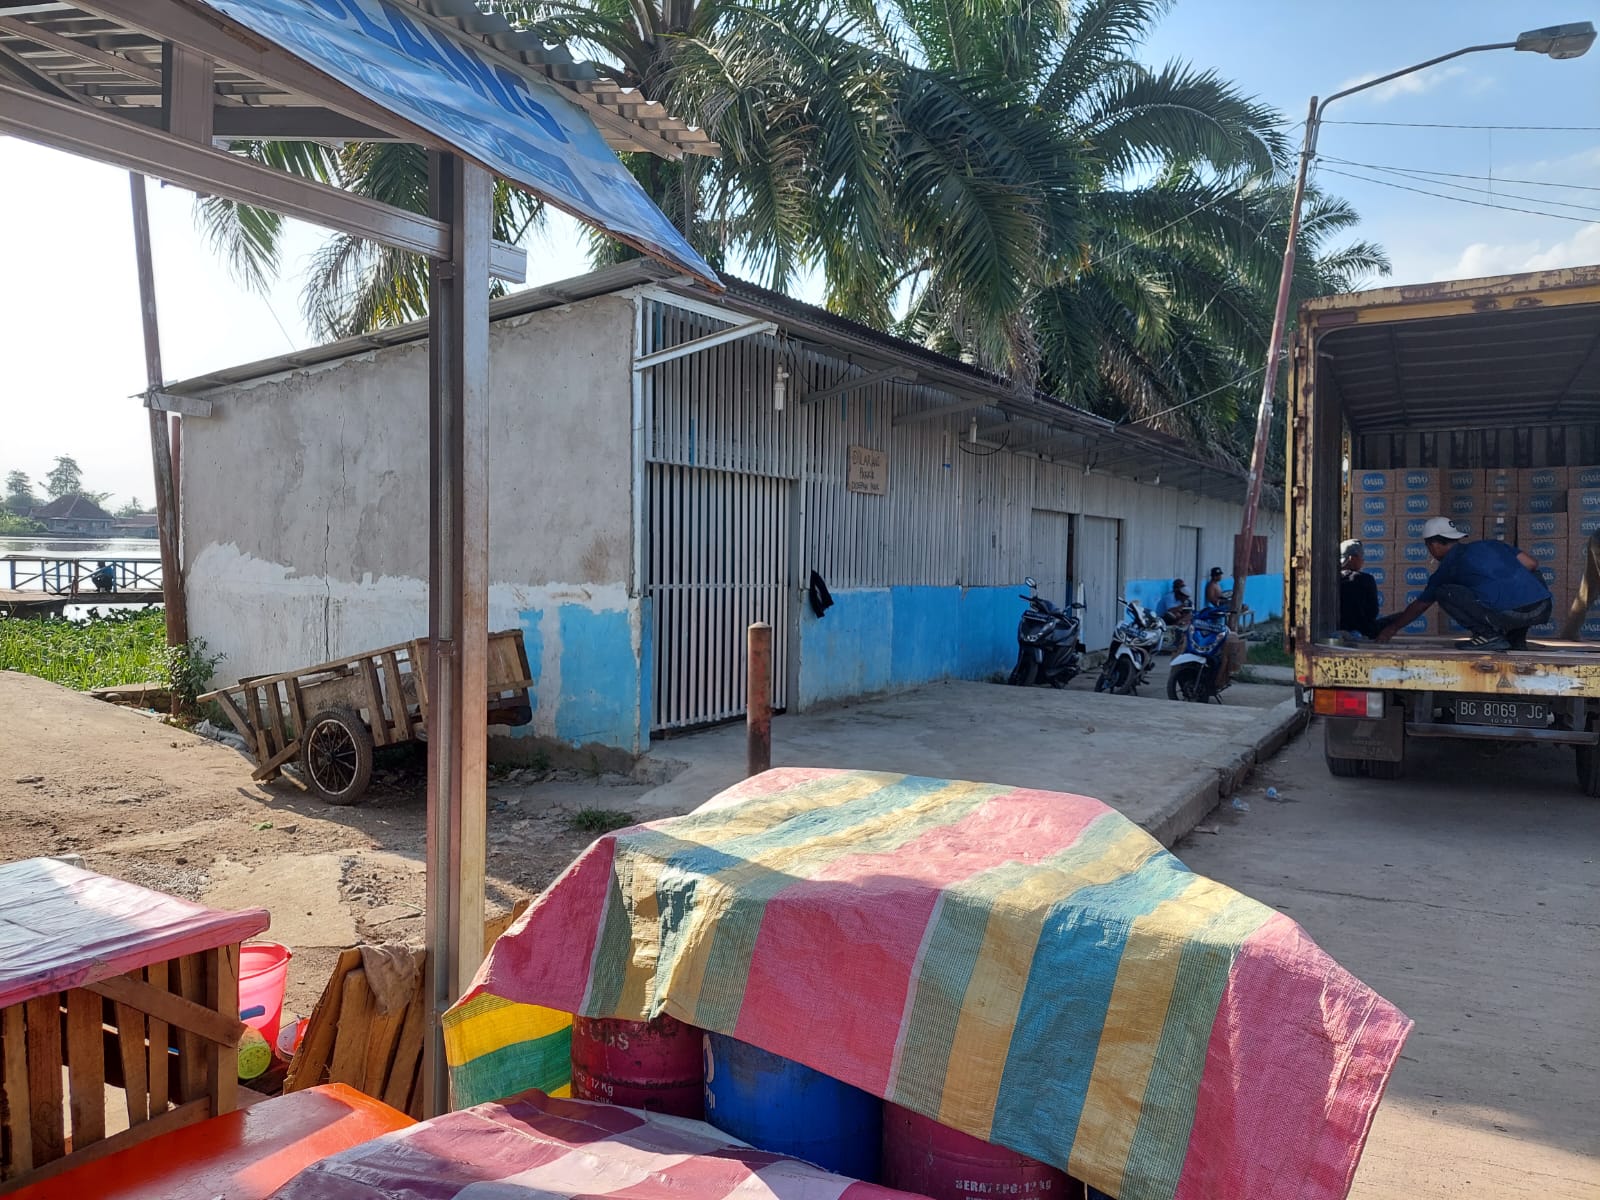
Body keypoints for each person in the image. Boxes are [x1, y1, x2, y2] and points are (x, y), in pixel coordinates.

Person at [1376, 517, 1552, 651]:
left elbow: (1421, 605)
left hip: (1510, 614)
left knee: (1443, 592)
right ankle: (1516, 639)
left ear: (1434, 544)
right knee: (1528, 579)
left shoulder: (1449, 567)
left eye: (1428, 546)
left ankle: (1488, 636)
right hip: (1541, 608)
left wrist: (1392, 628)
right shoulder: (1492, 544)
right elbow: (1531, 564)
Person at [1337, 539, 1385, 639]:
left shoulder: (1330, 580)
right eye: (1361, 557)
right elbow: (1373, 612)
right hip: (1363, 632)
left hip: (1337, 630)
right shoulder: (1366, 579)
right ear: (1352, 558)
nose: (1363, 561)